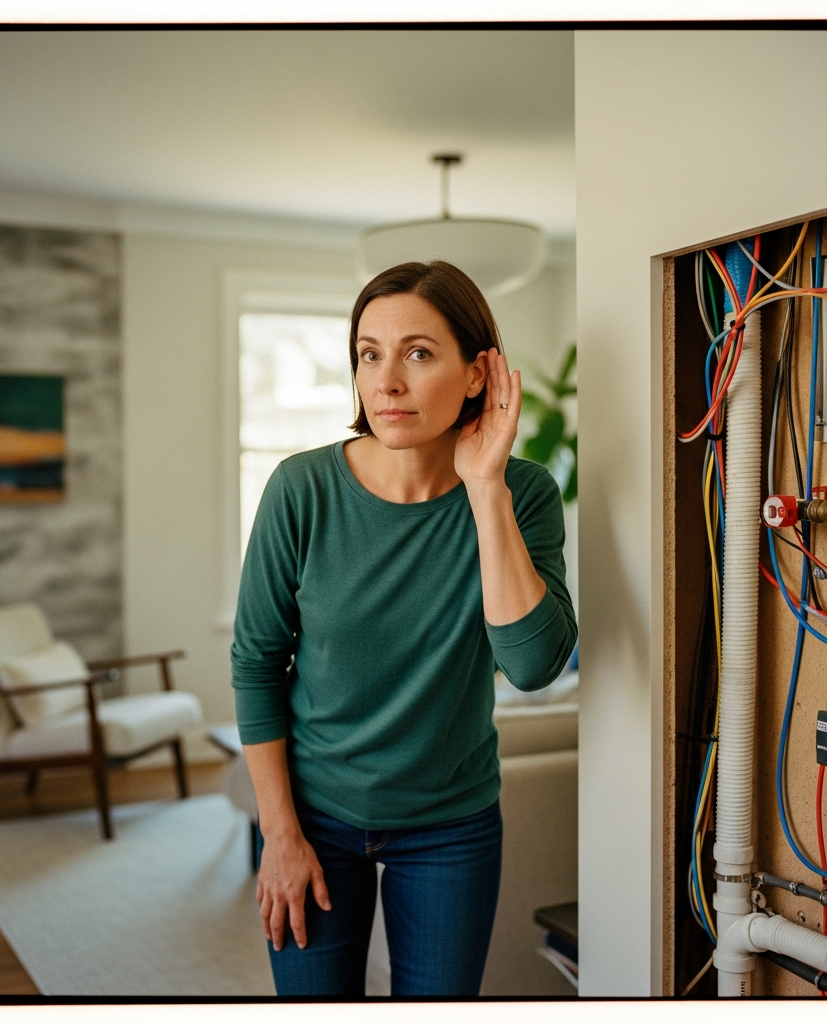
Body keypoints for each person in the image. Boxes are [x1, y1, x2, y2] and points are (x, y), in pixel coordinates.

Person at [231, 260, 577, 997]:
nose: (385, 381)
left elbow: (533, 665)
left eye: (418, 353)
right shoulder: (302, 490)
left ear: (478, 372)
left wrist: (486, 489)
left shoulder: (524, 493)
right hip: (313, 813)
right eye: (369, 353)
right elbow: (257, 663)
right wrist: (279, 834)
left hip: (452, 823)